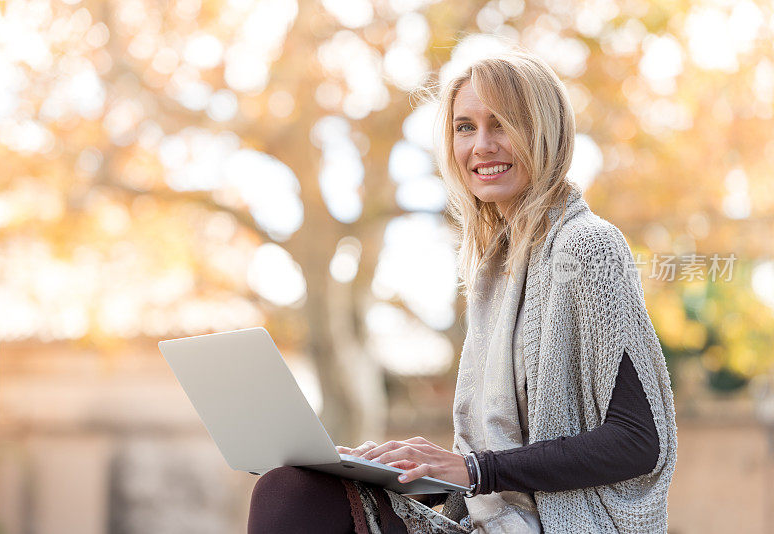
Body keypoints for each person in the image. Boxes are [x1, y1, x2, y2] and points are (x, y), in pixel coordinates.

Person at [247, 48, 677, 534]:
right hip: (490, 520)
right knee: (293, 486)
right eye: (465, 127)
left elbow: (639, 440)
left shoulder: (588, 246)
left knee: (290, 496)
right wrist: (409, 469)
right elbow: (499, 456)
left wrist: (473, 470)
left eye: (503, 124)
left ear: (546, 132)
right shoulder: (495, 268)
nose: (482, 146)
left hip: (560, 526)